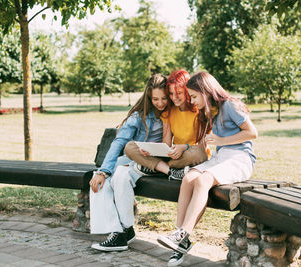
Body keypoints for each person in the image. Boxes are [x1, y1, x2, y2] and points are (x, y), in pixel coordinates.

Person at [157, 72, 258, 266]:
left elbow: (253, 133)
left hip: (240, 158)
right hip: (221, 157)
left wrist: (221, 141)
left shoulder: (230, 105)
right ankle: (181, 240)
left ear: (205, 92)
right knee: (188, 178)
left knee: (203, 180)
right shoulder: (211, 110)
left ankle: (182, 232)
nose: (193, 101)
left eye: (194, 96)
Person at [89, 73, 169, 252]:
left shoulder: (173, 115)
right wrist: (103, 172)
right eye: (155, 99)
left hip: (156, 163)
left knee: (121, 175)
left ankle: (123, 231)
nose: (161, 103)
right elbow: (119, 143)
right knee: (99, 180)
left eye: (164, 98)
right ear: (149, 97)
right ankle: (120, 231)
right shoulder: (138, 117)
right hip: (135, 159)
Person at [124, 69, 208, 181]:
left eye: (179, 93)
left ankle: (156, 168)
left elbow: (202, 147)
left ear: (187, 91)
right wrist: (152, 149)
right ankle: (170, 171)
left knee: (199, 153)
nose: (174, 97)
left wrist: (184, 147)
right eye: (171, 93)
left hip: (189, 155)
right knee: (130, 147)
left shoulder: (199, 111)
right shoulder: (169, 112)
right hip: (172, 157)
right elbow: (166, 143)